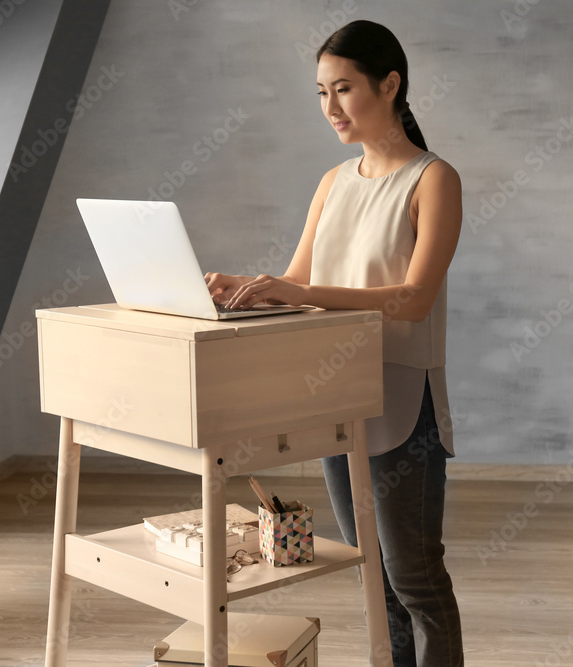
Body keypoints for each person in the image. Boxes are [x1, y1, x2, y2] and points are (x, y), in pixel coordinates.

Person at [203, 19, 465, 667]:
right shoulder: (332, 182)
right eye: (321, 93)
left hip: (404, 396)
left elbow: (413, 297)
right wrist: (251, 286)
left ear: (390, 84)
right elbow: (299, 282)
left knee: (414, 576)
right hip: (337, 394)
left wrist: (295, 291)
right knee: (370, 572)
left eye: (343, 89)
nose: (330, 108)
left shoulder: (434, 180)